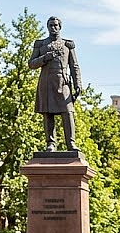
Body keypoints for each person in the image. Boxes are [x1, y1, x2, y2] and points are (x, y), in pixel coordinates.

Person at [28, 16, 82, 152]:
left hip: (63, 82)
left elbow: (74, 66)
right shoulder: (40, 44)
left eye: (56, 25)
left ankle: (71, 143)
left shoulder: (67, 45)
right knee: (48, 113)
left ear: (60, 27)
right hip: (46, 82)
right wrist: (45, 57)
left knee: (68, 112)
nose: (53, 28)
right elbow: (31, 64)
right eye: (51, 25)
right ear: (47, 27)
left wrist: (78, 84)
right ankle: (50, 143)